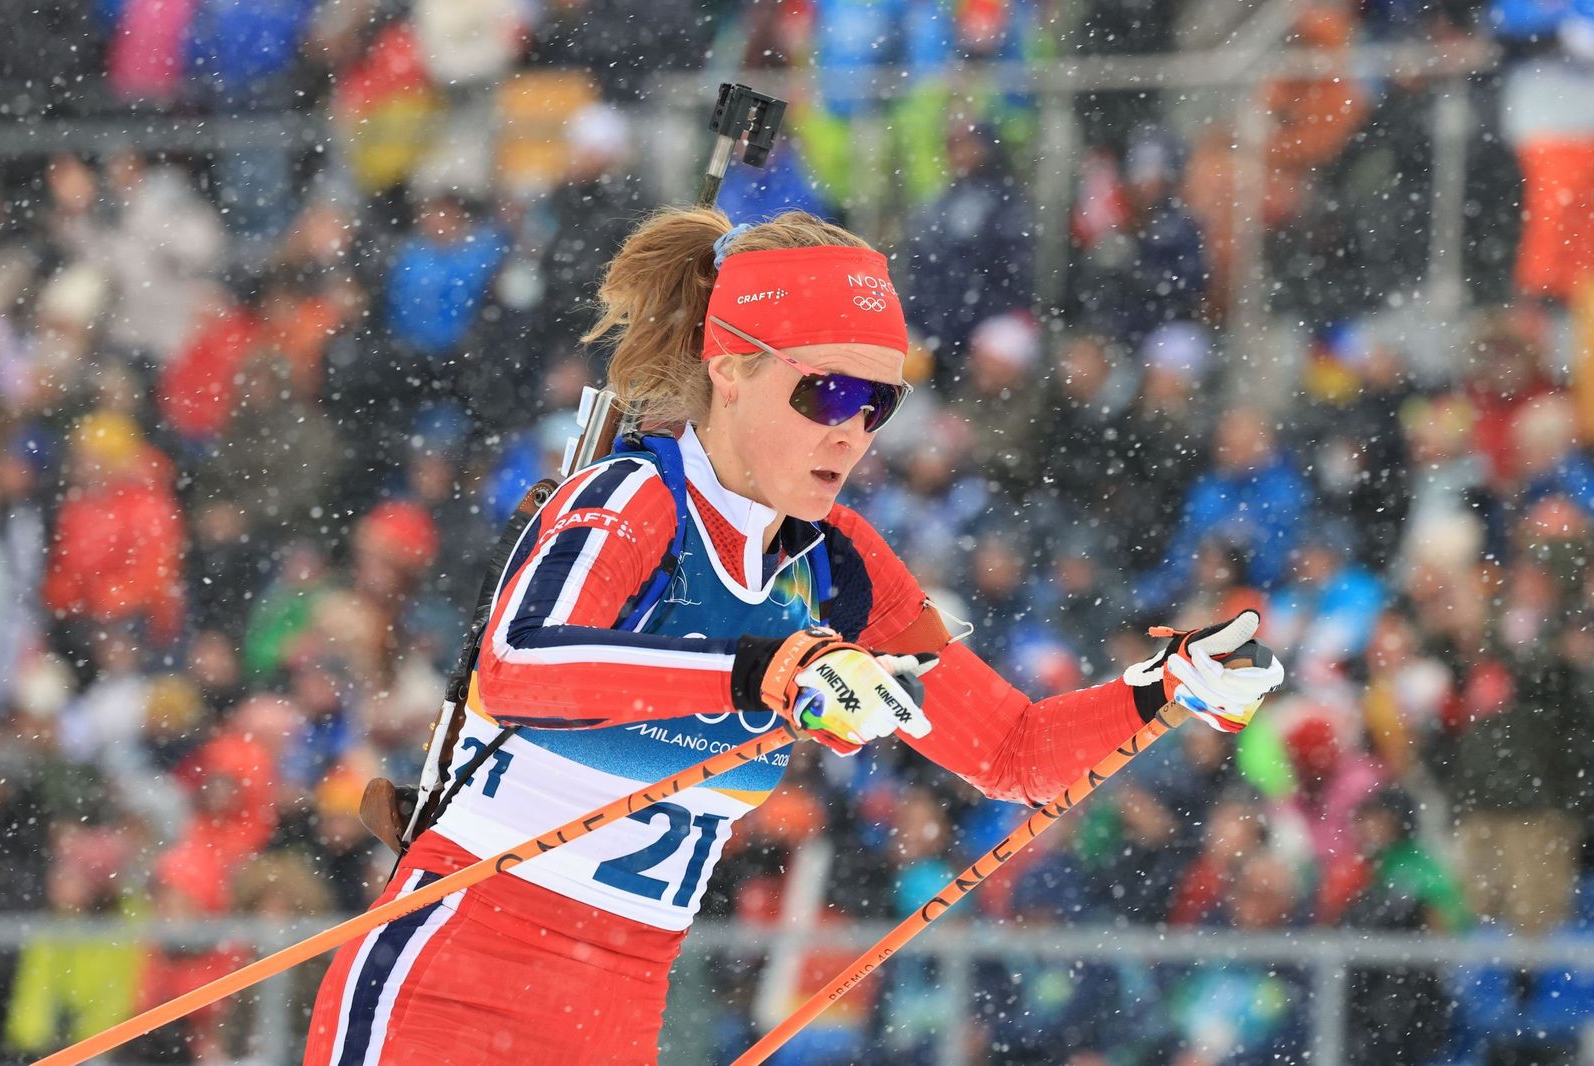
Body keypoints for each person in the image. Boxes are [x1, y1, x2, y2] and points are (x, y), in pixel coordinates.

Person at [304, 207, 1285, 1065]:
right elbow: (520, 666)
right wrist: (767, 669)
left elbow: (1011, 753)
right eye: (826, 394)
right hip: (459, 968)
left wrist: (1159, 692)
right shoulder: (634, 497)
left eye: (878, 402)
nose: (851, 433)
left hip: (620, 1000)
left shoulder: (842, 564)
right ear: (730, 368)